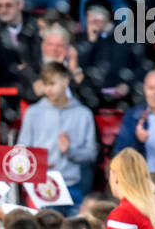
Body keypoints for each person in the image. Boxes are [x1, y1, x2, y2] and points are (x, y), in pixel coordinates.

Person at [18, 61, 97, 206]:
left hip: (74, 186)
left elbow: (91, 154)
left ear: (66, 81)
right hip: (41, 186)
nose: (48, 89)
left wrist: (69, 151)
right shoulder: (33, 112)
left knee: (74, 228)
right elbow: (22, 149)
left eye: (52, 83)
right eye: (45, 84)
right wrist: (38, 164)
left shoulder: (83, 114)